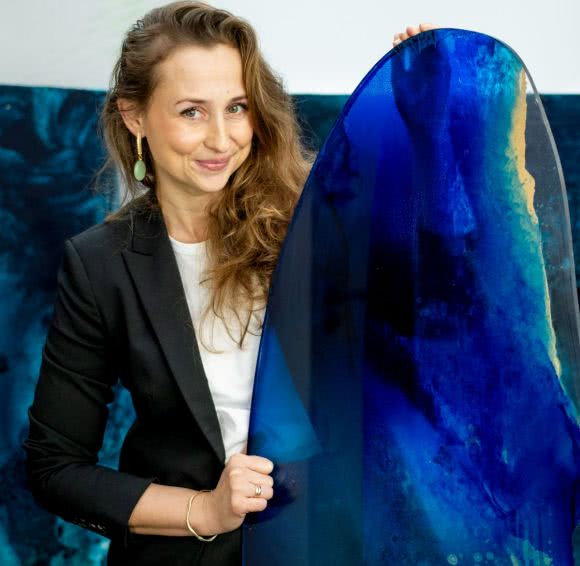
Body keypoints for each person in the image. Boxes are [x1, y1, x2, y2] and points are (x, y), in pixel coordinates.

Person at [21, 2, 433, 564]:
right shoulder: (100, 263)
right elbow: (56, 468)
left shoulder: (318, 221)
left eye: (237, 107)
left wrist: (428, 125)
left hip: (335, 541)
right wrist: (205, 510)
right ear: (134, 117)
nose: (221, 139)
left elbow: (436, 292)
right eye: (192, 112)